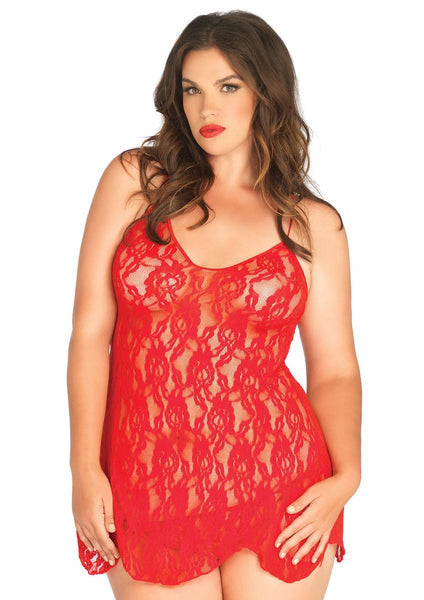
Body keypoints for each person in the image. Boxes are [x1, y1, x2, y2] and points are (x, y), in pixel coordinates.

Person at [68, 10, 362, 600]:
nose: (207, 108)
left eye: (229, 87)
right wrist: (83, 467)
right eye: (192, 89)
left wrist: (348, 476)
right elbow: (89, 334)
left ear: (266, 93)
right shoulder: (135, 182)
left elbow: (335, 370)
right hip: (148, 477)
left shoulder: (311, 224)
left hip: (279, 477)